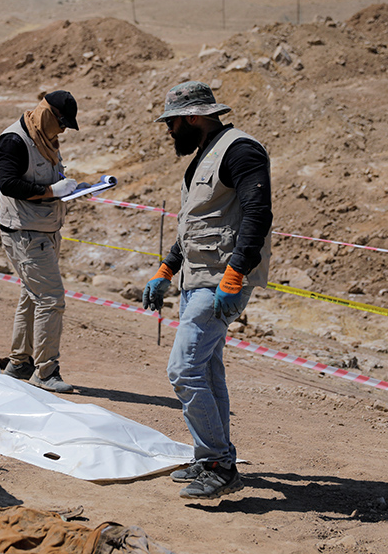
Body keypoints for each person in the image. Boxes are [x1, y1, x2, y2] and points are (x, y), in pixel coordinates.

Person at [141, 81, 273, 500]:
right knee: (208, 368)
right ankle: (212, 455)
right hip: (196, 279)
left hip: (220, 281)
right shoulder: (206, 155)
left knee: (183, 370)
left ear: (193, 117)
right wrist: (167, 267)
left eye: (173, 123)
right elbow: (197, 221)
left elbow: (258, 214)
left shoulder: (240, 150)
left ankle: (219, 463)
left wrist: (236, 274)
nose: (170, 131)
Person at [0, 90, 82, 393]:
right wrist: (51, 192)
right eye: (62, 123)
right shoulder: (14, 140)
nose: (64, 130)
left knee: (32, 297)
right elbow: (8, 184)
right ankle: (45, 371)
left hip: (43, 231)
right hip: (26, 234)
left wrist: (70, 190)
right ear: (49, 115)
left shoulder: (44, 139)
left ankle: (19, 362)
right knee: (51, 299)